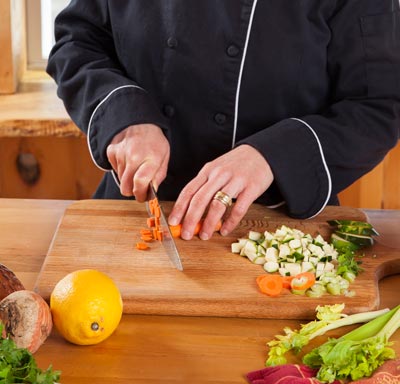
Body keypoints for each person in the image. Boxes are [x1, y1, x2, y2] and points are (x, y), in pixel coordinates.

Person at [47, 1, 400, 240]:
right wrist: (125, 117)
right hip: (137, 210)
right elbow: (77, 42)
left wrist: (272, 156)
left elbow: (378, 105)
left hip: (281, 227)